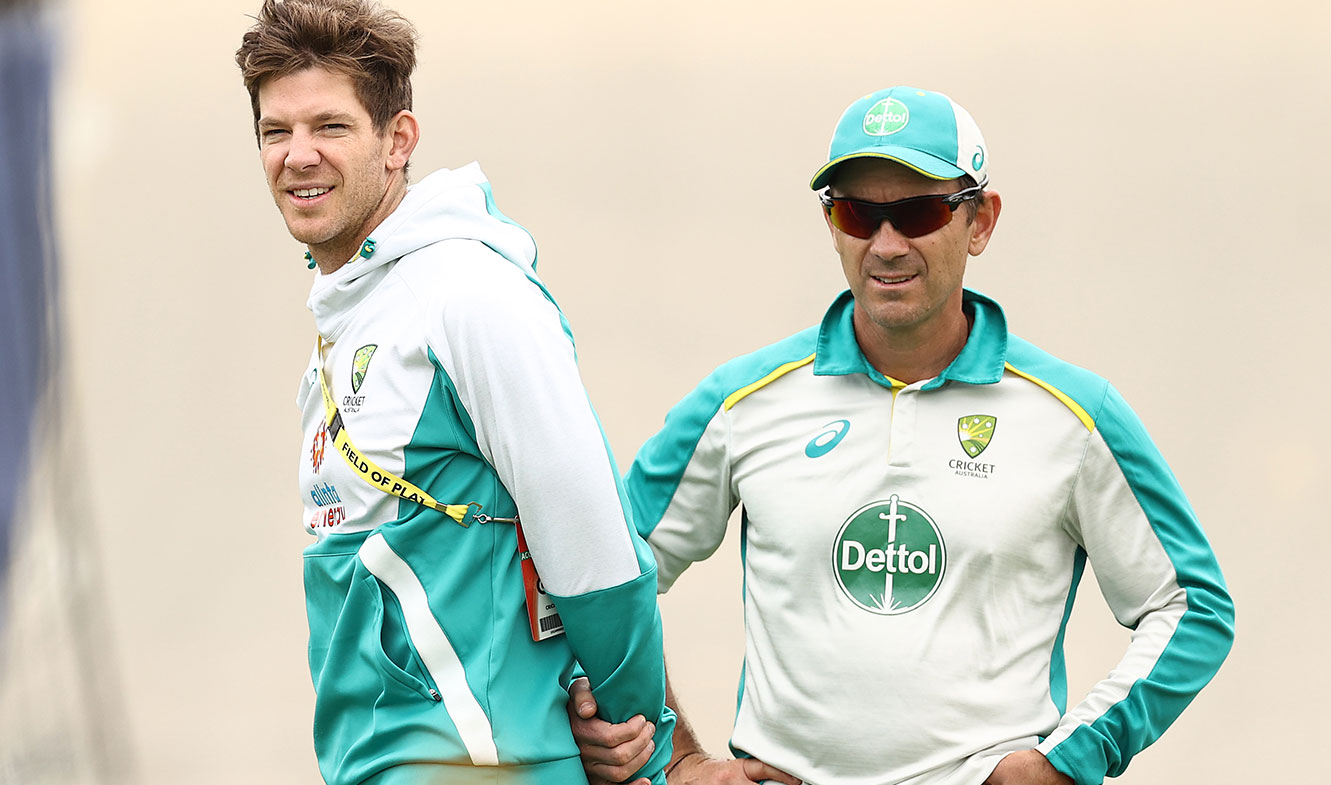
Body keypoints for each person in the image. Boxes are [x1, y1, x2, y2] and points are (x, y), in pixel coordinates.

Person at [569, 87, 1235, 785]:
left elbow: (1192, 605)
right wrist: (674, 757)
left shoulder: (1075, 413)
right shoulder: (742, 401)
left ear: (981, 222)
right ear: (831, 223)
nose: (886, 245)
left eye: (918, 211)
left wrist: (1072, 757)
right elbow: (597, 573)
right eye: (858, 212)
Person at [233, 2, 674, 783]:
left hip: (477, 764)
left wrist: (644, 741)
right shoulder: (354, 307)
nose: (298, 155)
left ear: (398, 139)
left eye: (330, 128)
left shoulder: (468, 293)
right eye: (276, 131)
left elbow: (591, 536)